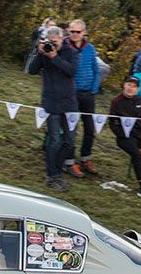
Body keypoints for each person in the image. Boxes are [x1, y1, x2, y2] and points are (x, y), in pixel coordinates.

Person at [27, 24, 79, 192]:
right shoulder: (45, 53)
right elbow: (31, 71)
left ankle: (57, 171)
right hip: (51, 102)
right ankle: (52, 176)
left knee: (69, 142)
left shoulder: (71, 52)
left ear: (62, 40)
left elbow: (71, 71)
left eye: (55, 42)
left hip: (69, 103)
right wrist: (39, 53)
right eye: (50, 42)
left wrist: (55, 56)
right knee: (54, 141)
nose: (52, 45)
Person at [109, 76, 141, 202]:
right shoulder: (116, 102)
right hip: (125, 137)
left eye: (133, 86)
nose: (130, 88)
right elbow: (112, 124)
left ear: (137, 89)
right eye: (128, 85)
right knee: (136, 155)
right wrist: (124, 134)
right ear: (124, 85)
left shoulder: (139, 101)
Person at [65, 19, 100, 177]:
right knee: (71, 129)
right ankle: (69, 161)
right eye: (72, 31)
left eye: (78, 32)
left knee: (89, 128)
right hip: (71, 93)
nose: (74, 35)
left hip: (87, 93)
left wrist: (93, 89)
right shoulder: (64, 46)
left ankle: (86, 158)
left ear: (84, 33)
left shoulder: (90, 48)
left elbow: (95, 68)